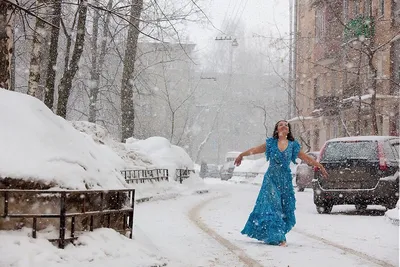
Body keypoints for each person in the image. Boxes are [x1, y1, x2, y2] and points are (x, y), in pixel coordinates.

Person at [234, 120, 328, 247]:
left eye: (286, 125)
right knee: (274, 206)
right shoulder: (271, 143)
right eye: (280, 125)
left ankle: (274, 234)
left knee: (285, 207)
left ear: (288, 130)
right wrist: (242, 155)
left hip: (285, 180)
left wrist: (319, 165)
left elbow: (306, 158)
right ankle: (279, 237)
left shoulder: (293, 145)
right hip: (271, 178)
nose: (283, 126)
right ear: (277, 130)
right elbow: (255, 150)